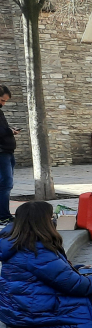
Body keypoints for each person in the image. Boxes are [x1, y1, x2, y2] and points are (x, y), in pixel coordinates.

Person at [0, 85, 18, 225]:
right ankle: (3, 216)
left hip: (7, 151)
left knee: (7, 184)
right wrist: (9, 132)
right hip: (1, 153)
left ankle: (4, 214)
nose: (3, 104)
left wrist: (9, 130)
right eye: (2, 100)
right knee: (5, 184)